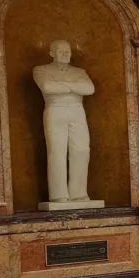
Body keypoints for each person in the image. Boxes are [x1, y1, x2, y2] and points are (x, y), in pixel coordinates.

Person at [33, 39, 95, 203]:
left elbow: (89, 89)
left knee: (81, 150)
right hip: (55, 109)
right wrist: (74, 86)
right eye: (61, 51)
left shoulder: (79, 71)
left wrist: (60, 85)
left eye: (68, 51)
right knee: (57, 151)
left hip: (77, 110)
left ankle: (78, 192)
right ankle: (58, 194)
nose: (66, 54)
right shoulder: (41, 69)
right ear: (52, 53)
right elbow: (47, 87)